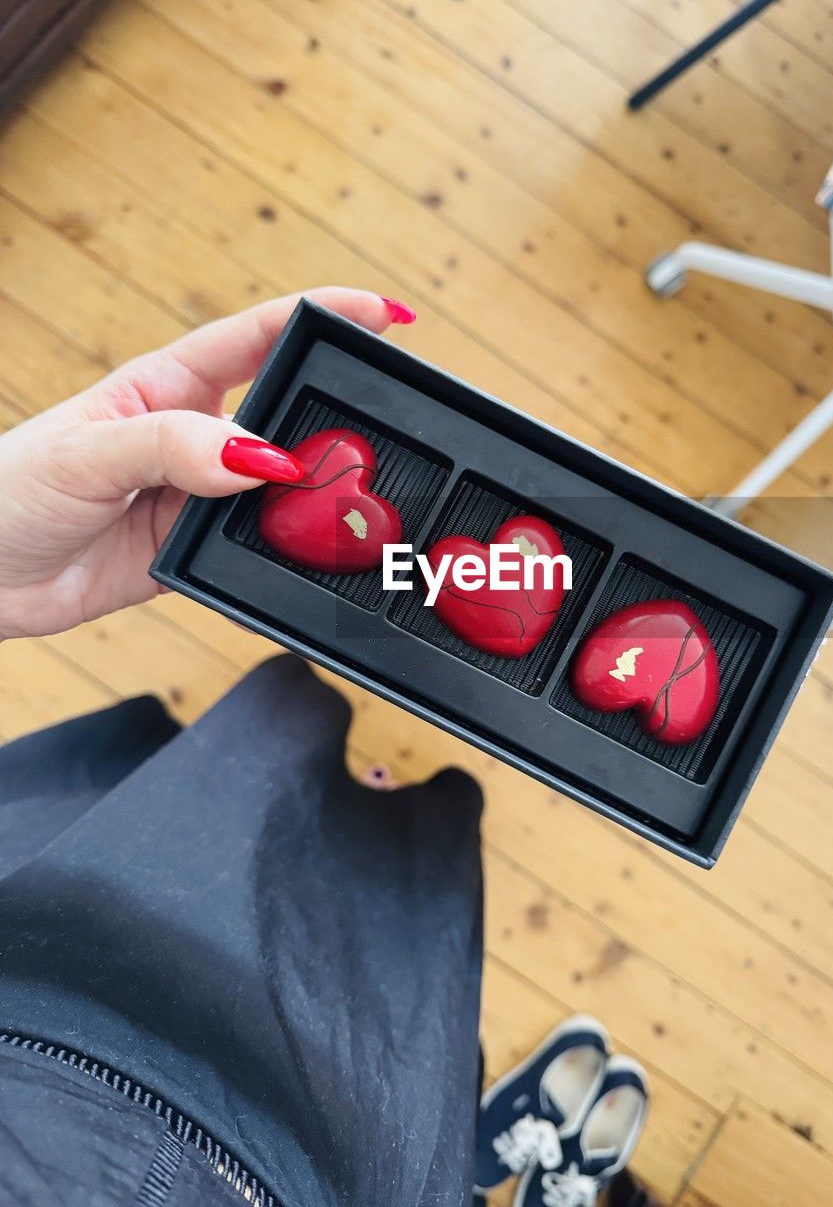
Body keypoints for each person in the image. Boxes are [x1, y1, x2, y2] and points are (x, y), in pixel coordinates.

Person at [0, 289, 485, 1207]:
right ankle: (339, 828)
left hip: (40, 943)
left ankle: (312, 812)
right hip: (307, 1134)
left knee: (211, 803)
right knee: (318, 872)